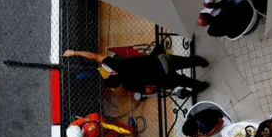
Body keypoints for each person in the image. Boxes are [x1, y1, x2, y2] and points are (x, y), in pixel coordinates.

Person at [63, 49, 210, 94]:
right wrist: (74, 52)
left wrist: (155, 88)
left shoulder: (128, 86)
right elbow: (95, 56)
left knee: (184, 82)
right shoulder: (115, 64)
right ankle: (201, 62)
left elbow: (147, 91)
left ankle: (201, 86)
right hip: (161, 61)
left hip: (165, 78)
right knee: (186, 61)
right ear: (113, 74)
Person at [66, 113, 136, 137]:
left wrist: (83, 120)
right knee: (117, 126)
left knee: (111, 135)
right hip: (103, 128)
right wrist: (88, 119)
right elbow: (96, 118)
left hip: (101, 135)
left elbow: (72, 125)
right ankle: (132, 131)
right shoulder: (91, 129)